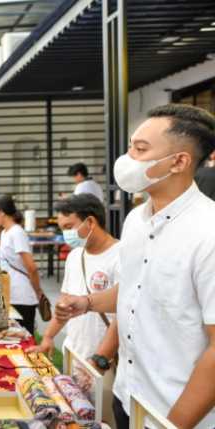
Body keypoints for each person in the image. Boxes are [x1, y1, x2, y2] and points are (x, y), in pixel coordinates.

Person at [56, 104, 215, 429]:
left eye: (140, 150)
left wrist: (174, 424)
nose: (127, 159)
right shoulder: (136, 221)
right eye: (131, 146)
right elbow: (134, 290)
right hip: (128, 395)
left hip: (174, 412)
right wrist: (87, 303)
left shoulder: (207, 233)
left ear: (179, 161)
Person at [28, 193, 119, 367]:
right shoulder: (75, 256)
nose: (66, 234)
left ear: (90, 222)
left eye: (69, 226)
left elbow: (123, 315)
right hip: (73, 351)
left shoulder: (121, 255)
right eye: (62, 229)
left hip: (103, 360)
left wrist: (100, 359)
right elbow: (64, 304)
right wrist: (48, 336)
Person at [0, 195, 44, 335]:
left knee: (24, 338)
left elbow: (31, 267)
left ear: (1, 212)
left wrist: (38, 291)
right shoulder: (4, 233)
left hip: (22, 296)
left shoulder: (17, 233)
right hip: (10, 293)